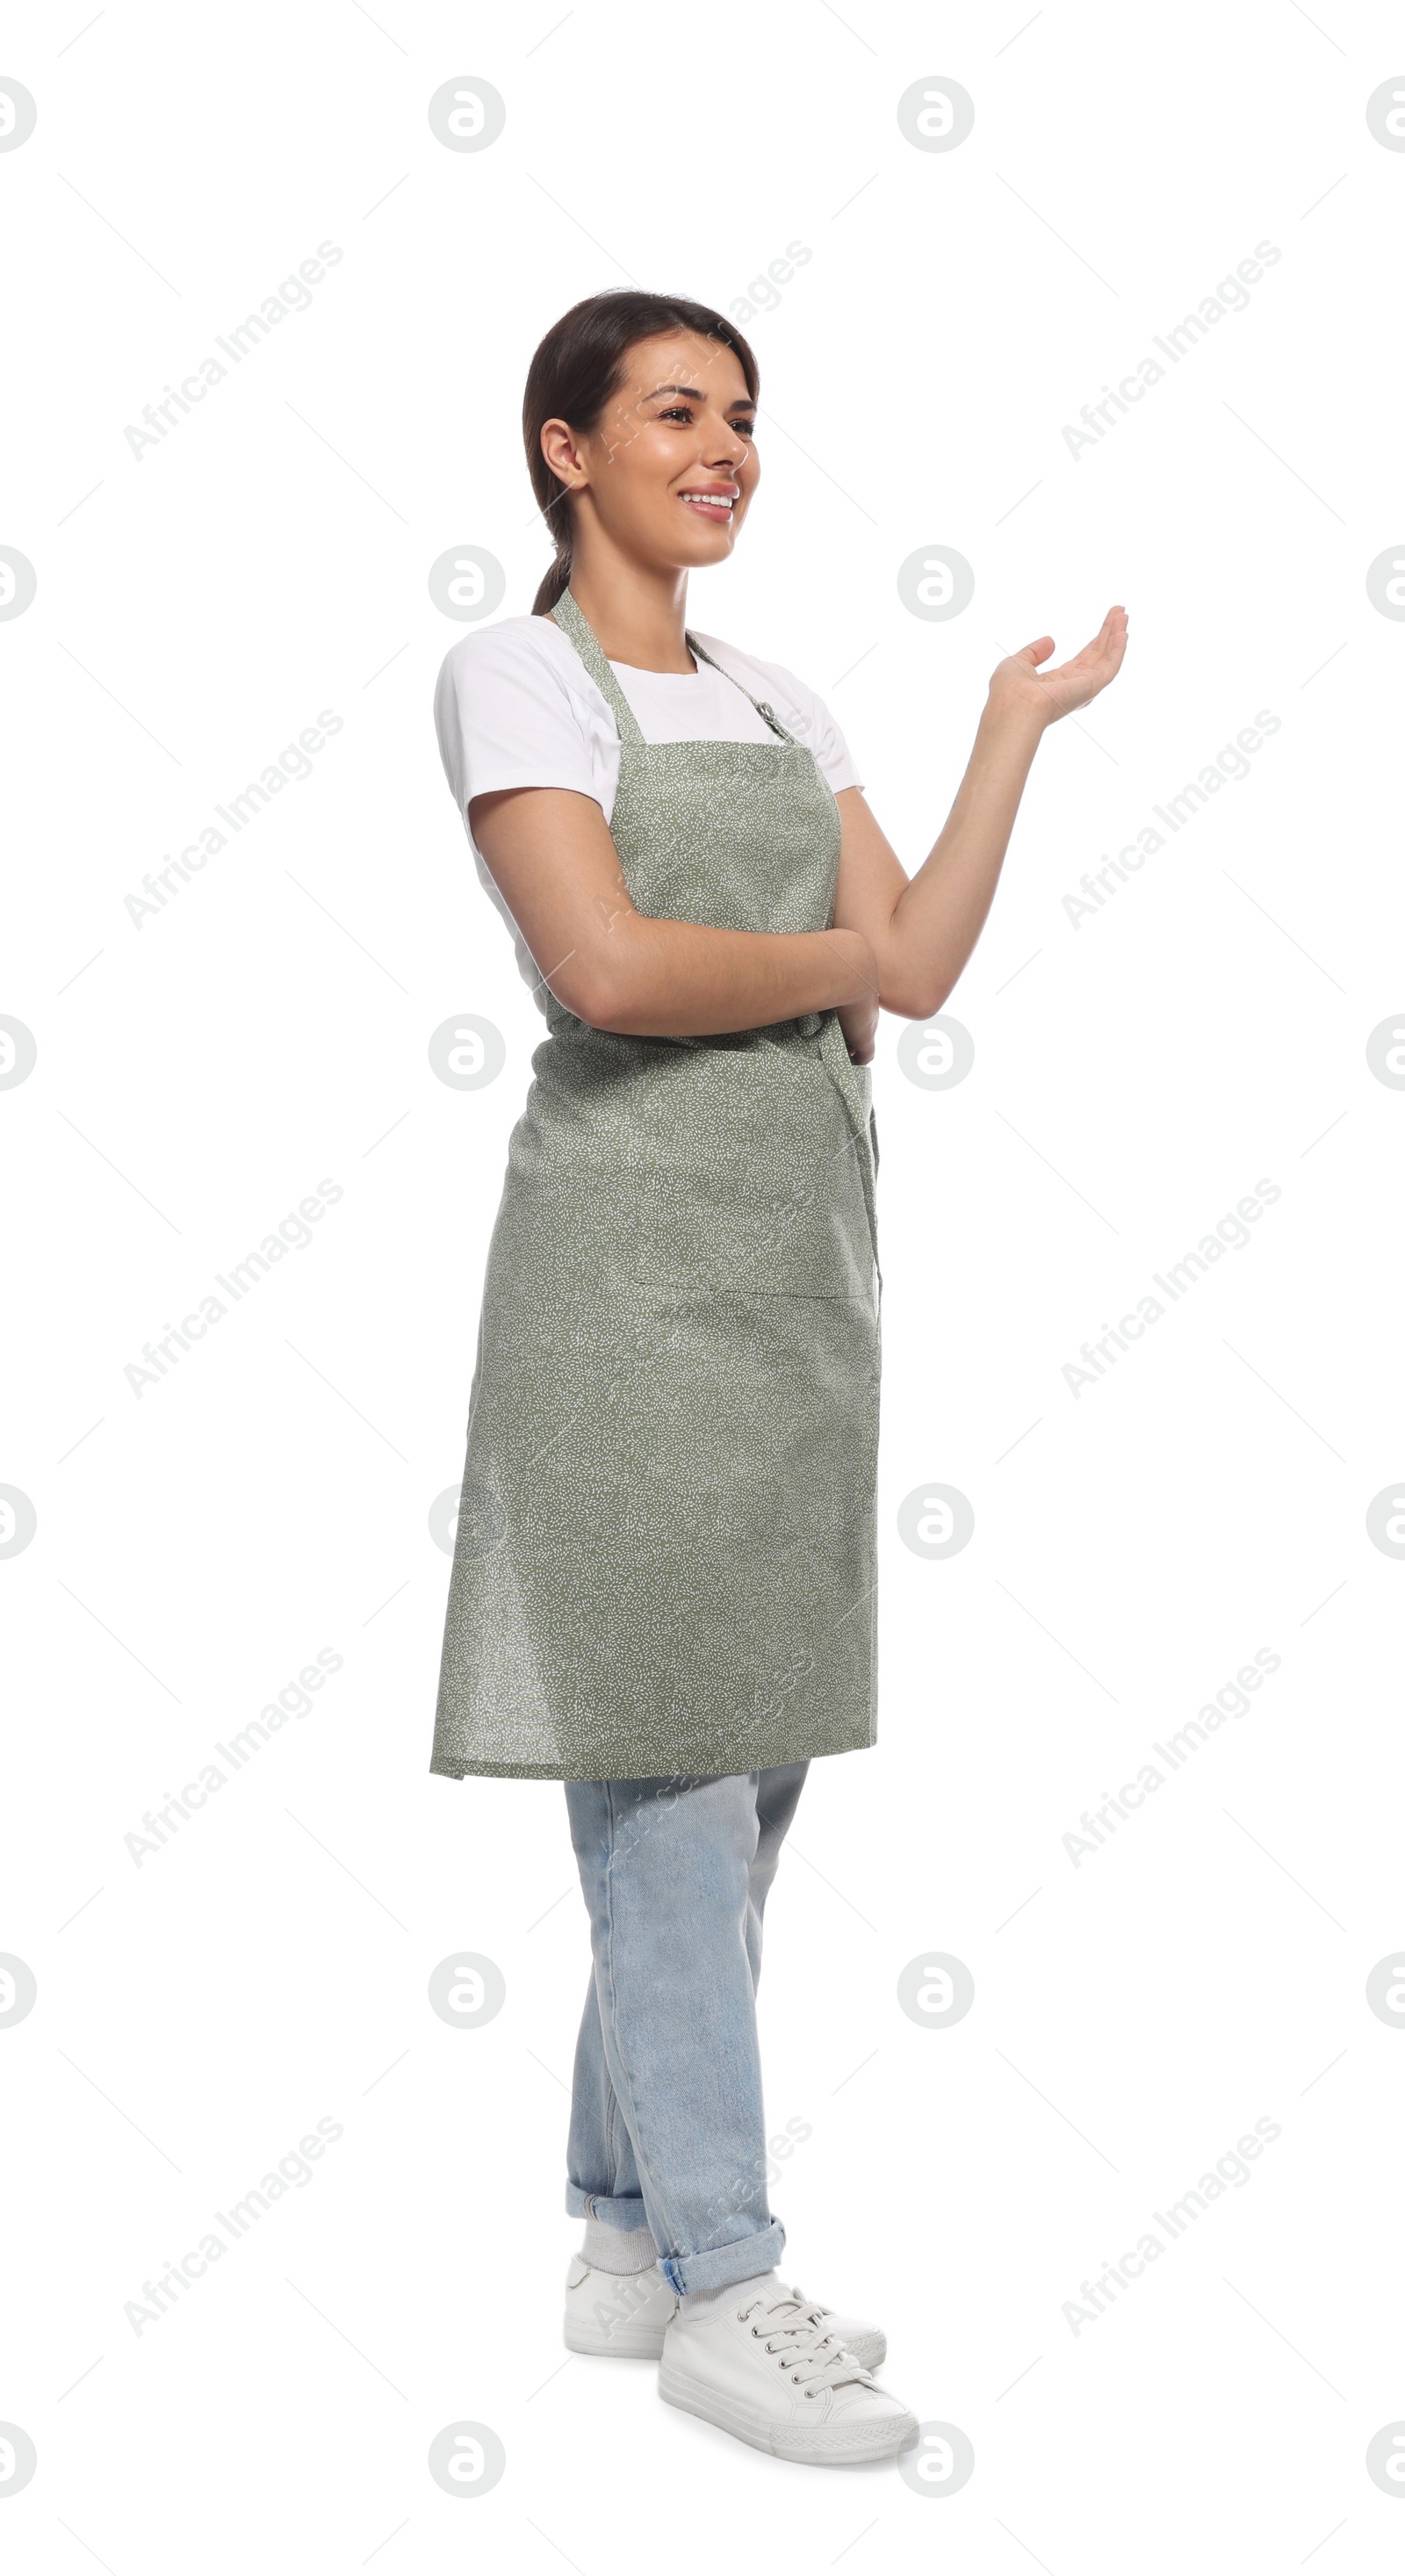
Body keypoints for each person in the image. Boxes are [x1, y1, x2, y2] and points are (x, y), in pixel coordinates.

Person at [429, 290, 1127, 2466]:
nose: (721, 446)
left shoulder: (777, 689)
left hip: (800, 1285)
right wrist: (834, 966)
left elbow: (910, 965)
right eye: (673, 411)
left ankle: (626, 2238)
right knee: (655, 1773)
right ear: (567, 449)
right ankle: (732, 2284)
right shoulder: (512, 672)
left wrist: (1006, 730)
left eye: (741, 415)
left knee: (741, 1788)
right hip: (621, 1293)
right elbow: (610, 966)